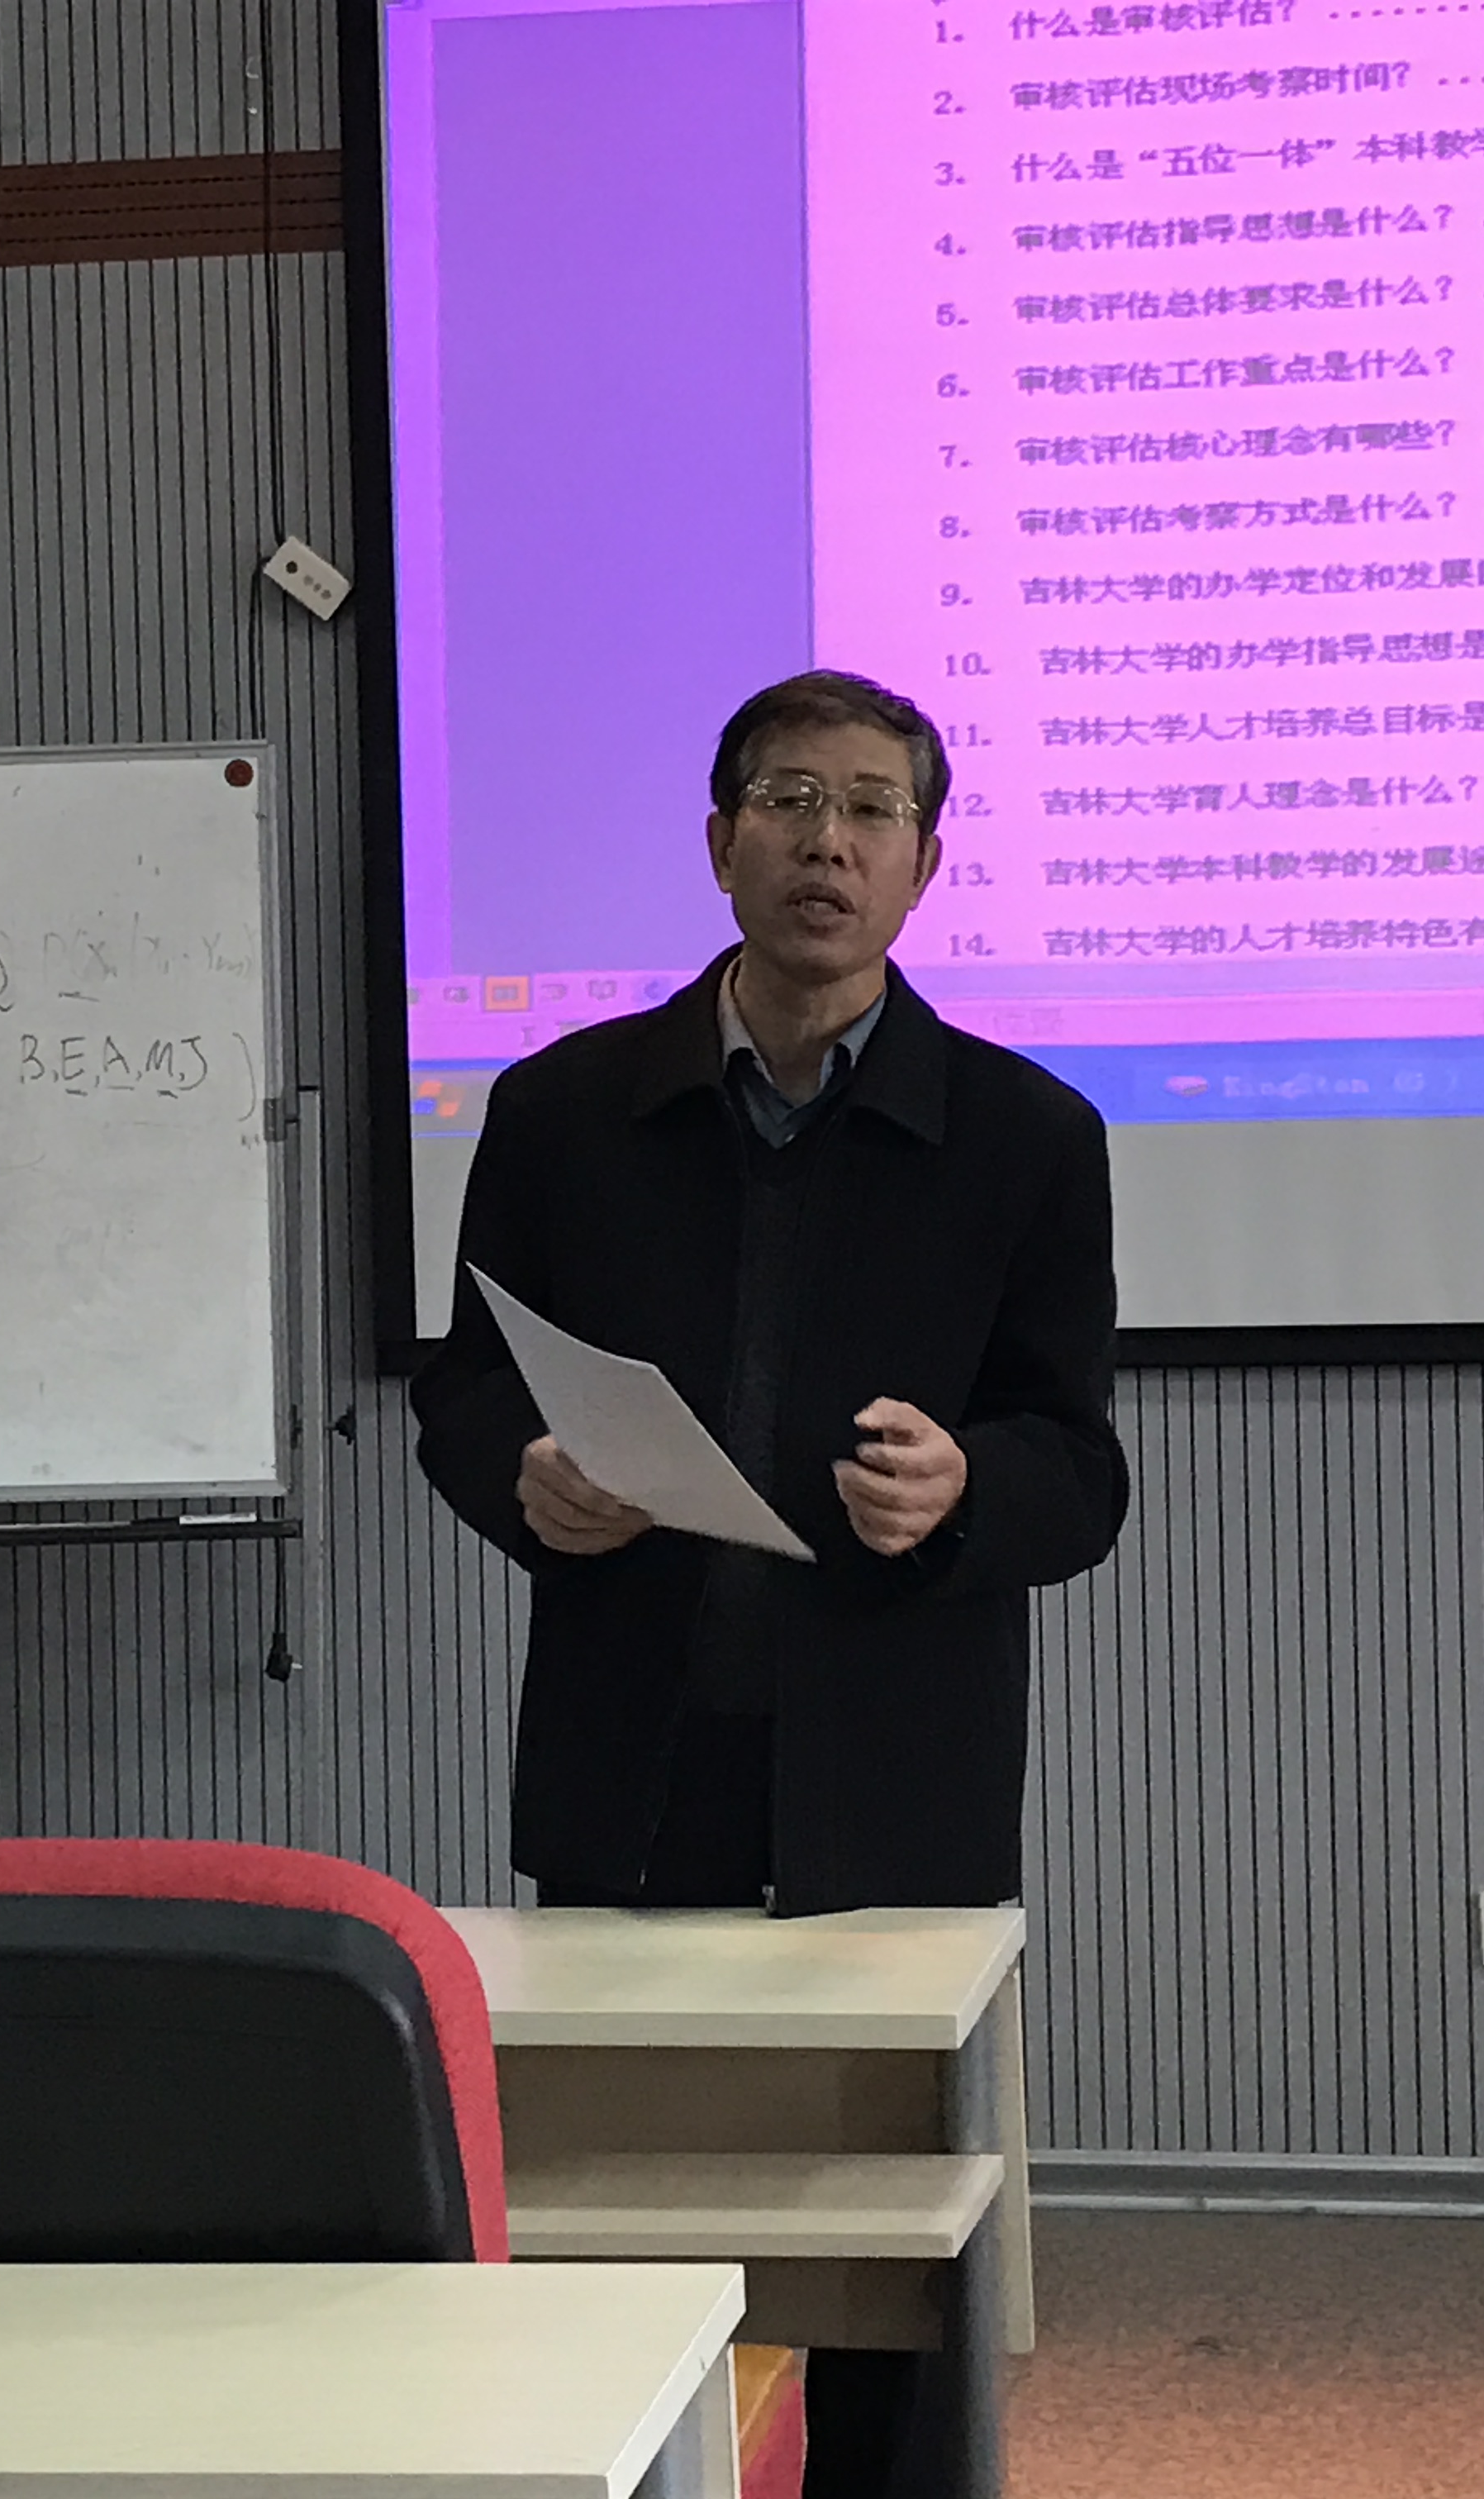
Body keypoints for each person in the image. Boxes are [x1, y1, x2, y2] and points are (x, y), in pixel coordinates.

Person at [411, 669, 1127, 2496]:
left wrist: (968, 1489)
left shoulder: (1027, 1137)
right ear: (721, 840)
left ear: (925, 863)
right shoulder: (567, 1110)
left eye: (873, 808)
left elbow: (1078, 1462)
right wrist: (524, 1475)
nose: (830, 840)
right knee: (609, 2259)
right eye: (792, 799)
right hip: (634, 1771)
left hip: (894, 1799)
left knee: (891, 2290)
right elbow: (465, 1391)